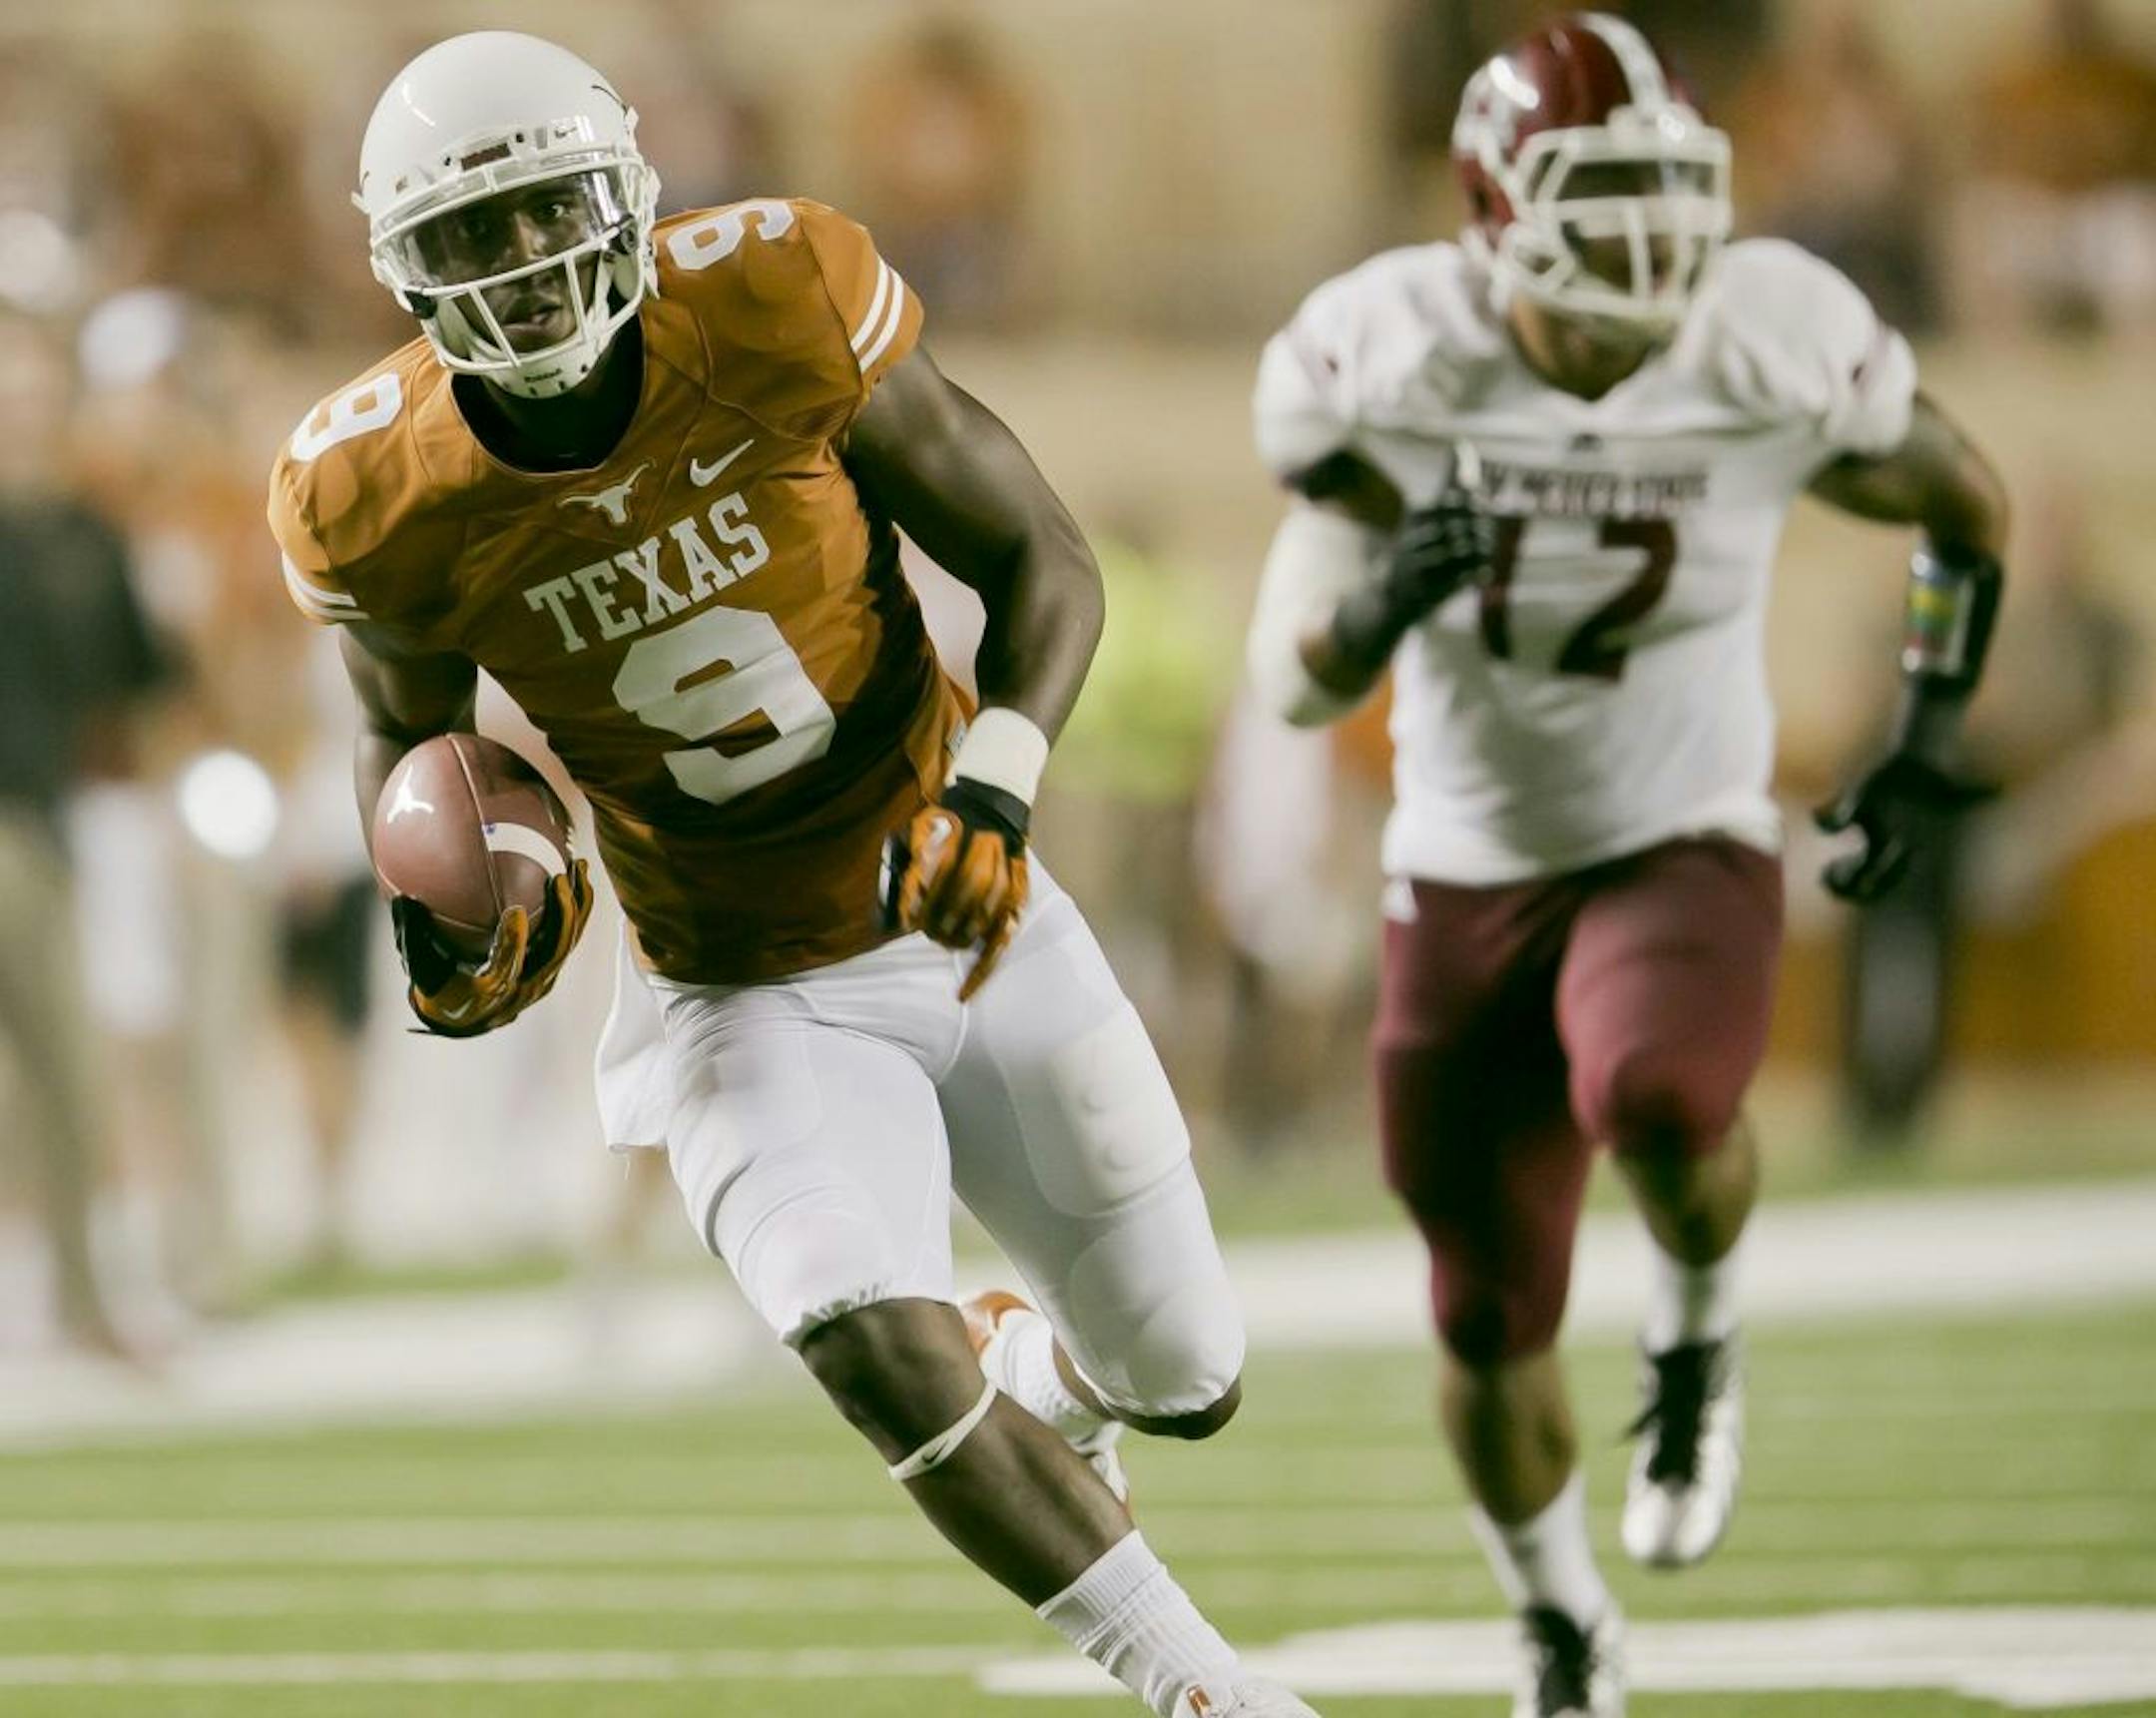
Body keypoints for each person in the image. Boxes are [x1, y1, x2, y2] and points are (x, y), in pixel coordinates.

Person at [267, 34, 1317, 1718]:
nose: (523, 270)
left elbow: (1036, 552)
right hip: (737, 987)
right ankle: (1209, 1692)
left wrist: (1001, 781)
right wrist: (447, 907)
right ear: (400, 267)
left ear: (623, 186)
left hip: (959, 896)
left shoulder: (770, 299)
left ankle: (1044, 1373)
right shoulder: (375, 491)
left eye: (544, 211)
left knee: (1187, 1374)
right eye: (469, 237)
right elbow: (411, 750)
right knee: (855, 1324)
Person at [1245, 15, 2009, 1717]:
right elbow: (1294, 673)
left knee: (1657, 1088)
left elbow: (1968, 499)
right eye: (1608, 213)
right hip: (1459, 865)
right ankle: (1564, 1616)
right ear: (1496, 215)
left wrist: (1926, 728)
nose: (1656, 258)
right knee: (1482, 1315)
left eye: (1671, 206)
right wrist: (1376, 600)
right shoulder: (1393, 353)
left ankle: (1696, 1331)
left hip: (1682, 833)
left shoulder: (1760, 335)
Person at [0, 314, 169, 1360]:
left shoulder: (83, 534)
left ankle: (84, 1295)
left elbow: (135, 681)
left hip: (40, 822)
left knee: (68, 1067)